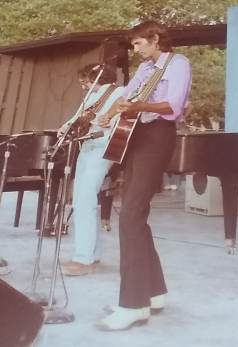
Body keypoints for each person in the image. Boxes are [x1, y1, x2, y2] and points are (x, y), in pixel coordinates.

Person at [97, 20, 192, 330]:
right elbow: (128, 94)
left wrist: (135, 105)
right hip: (136, 135)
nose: (135, 50)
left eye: (139, 44)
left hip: (158, 135)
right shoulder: (146, 68)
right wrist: (109, 111)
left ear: (154, 39)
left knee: (130, 216)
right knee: (134, 214)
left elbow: (172, 106)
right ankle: (153, 292)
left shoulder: (177, 63)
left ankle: (133, 304)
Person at [60, 64, 124, 276]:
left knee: (86, 196)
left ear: (98, 77)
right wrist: (66, 127)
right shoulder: (91, 98)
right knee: (80, 199)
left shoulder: (119, 92)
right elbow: (79, 117)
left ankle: (84, 258)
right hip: (86, 147)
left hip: (103, 148)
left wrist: (102, 120)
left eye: (86, 81)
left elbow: (117, 119)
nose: (84, 85)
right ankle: (91, 254)